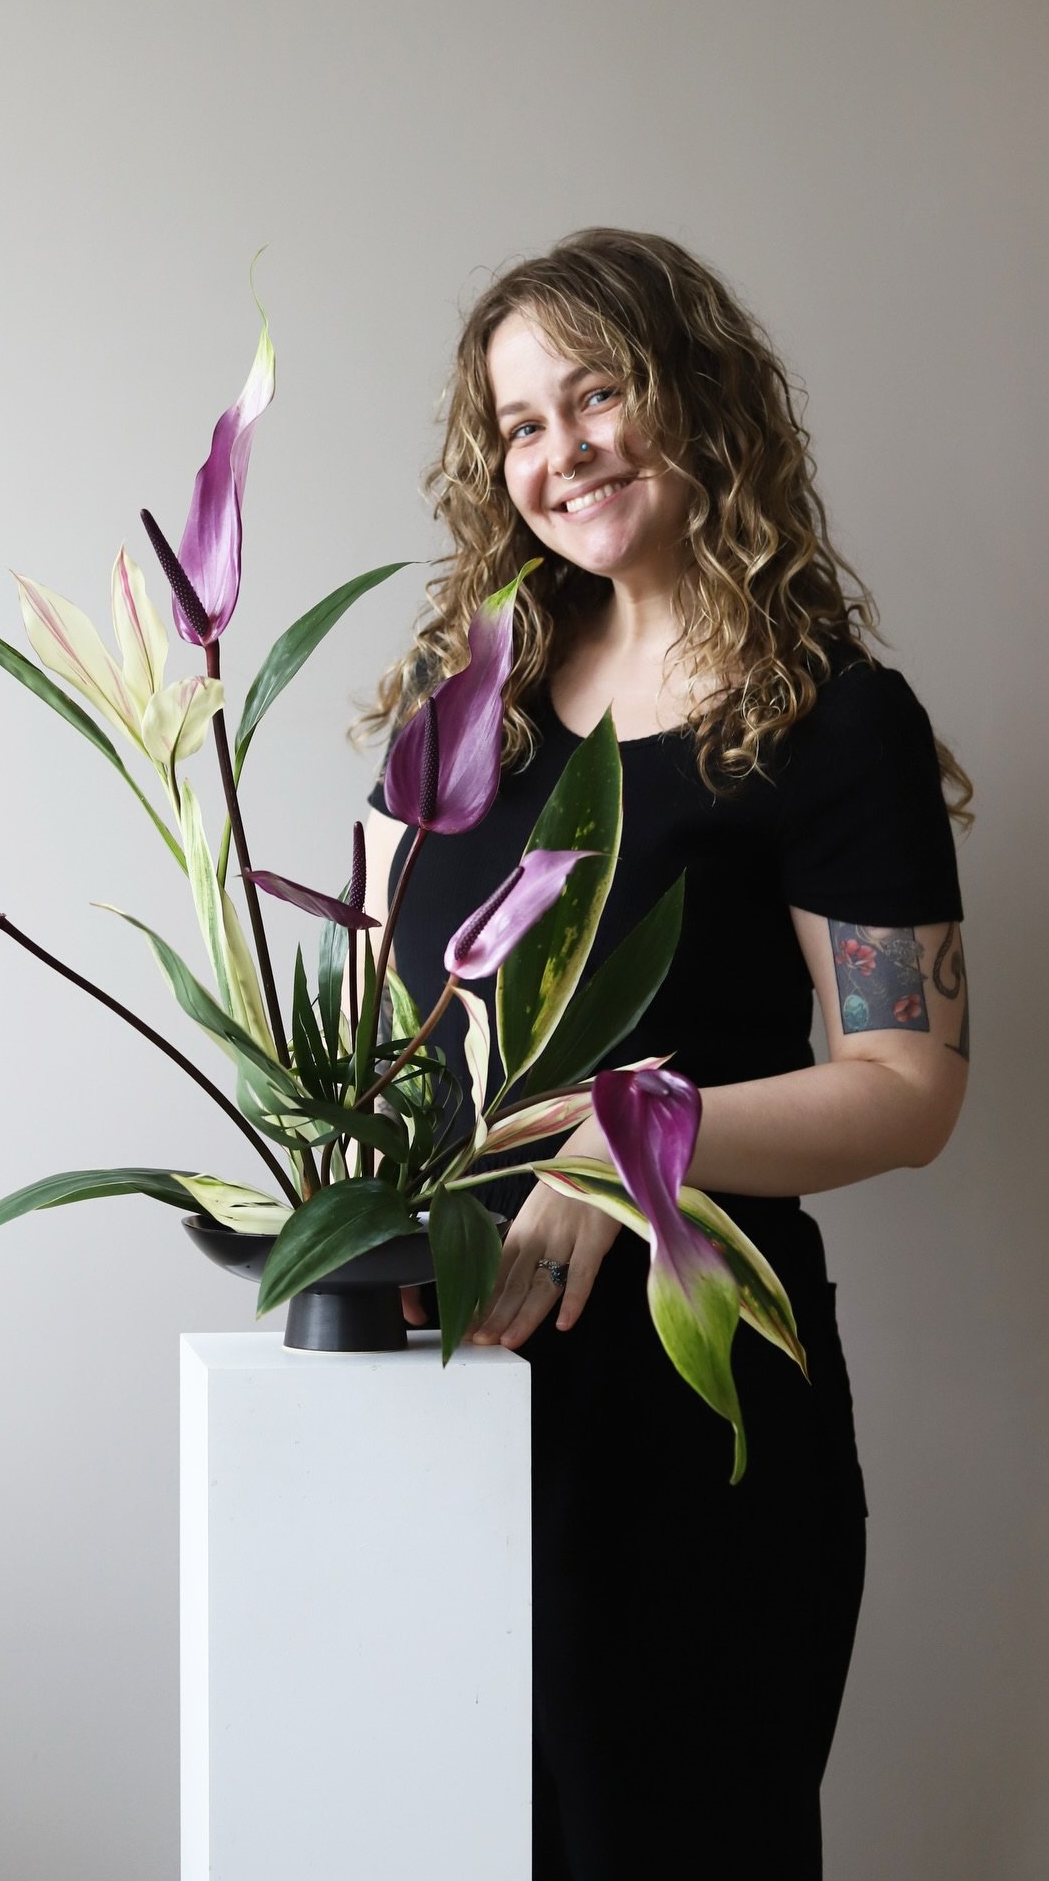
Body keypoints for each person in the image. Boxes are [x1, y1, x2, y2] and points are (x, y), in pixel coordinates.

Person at [359, 228, 970, 1880]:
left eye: (600, 392)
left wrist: (620, 1132)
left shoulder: (835, 721)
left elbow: (911, 1090)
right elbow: (370, 1005)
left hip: (695, 1429)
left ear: (697, 392)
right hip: (441, 1397)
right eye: (522, 424)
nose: (562, 453)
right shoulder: (462, 695)